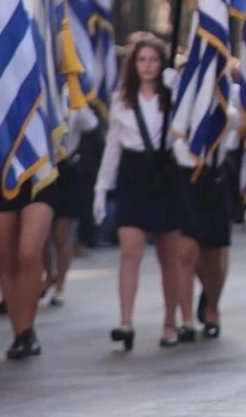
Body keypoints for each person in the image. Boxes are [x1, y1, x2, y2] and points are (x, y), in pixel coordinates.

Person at [93, 38, 187, 349]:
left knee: (168, 255)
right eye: (142, 60)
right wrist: (101, 188)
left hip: (164, 170)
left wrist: (179, 84)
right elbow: (113, 147)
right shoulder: (121, 99)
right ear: (133, 65)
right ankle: (125, 322)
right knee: (130, 251)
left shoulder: (173, 94)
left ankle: (170, 323)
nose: (147, 65)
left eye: (153, 60)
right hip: (133, 172)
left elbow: (187, 129)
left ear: (162, 64)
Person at [175, 78, 241, 340]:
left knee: (213, 253)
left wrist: (219, 98)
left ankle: (212, 308)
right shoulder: (175, 103)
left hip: (215, 177)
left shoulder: (224, 103)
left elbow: (236, 130)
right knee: (186, 251)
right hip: (182, 179)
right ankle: (186, 320)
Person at [48, 91, 100, 307]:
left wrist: (79, 102)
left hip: (67, 169)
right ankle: (49, 273)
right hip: (44, 168)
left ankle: (60, 285)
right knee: (41, 235)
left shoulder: (73, 97)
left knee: (62, 234)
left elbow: (91, 125)